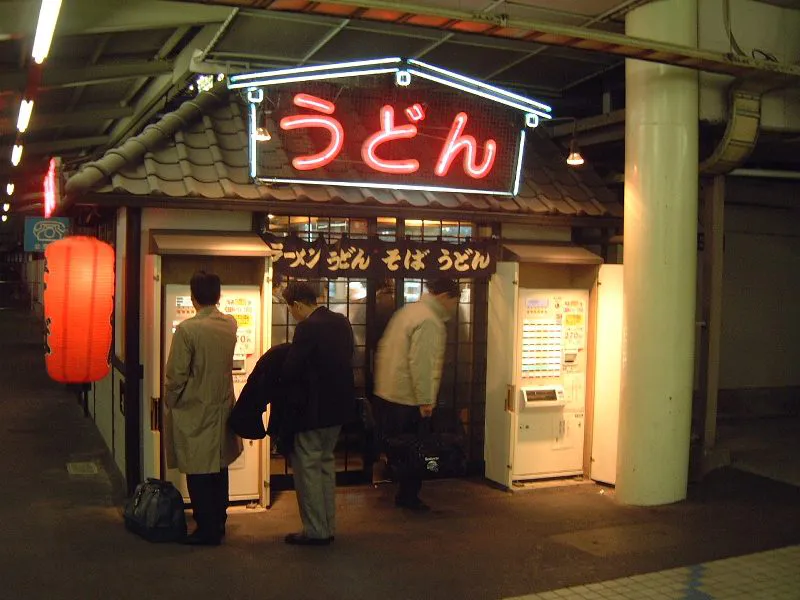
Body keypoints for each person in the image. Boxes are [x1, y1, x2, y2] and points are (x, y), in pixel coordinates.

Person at [164, 271, 242, 546]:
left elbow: (176, 374)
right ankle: (219, 521)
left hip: (194, 406)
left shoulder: (188, 330)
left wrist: (169, 401)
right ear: (218, 295)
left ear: (193, 296)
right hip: (221, 404)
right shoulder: (229, 324)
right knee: (219, 466)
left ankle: (205, 529)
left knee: (197, 470)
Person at [373, 277, 460, 511]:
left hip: (388, 392)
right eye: (454, 301)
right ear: (444, 297)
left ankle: (398, 484)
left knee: (398, 445)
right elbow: (422, 364)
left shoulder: (408, 311)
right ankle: (408, 496)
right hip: (407, 397)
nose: (454, 307)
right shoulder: (430, 321)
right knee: (415, 448)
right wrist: (426, 400)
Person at [281, 281, 356, 546]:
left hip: (312, 411)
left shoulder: (307, 328)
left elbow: (291, 369)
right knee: (325, 466)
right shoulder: (341, 321)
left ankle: (315, 530)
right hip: (338, 409)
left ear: (298, 305)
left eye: (290, 308)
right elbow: (350, 356)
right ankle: (327, 525)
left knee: (308, 469)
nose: (292, 313)